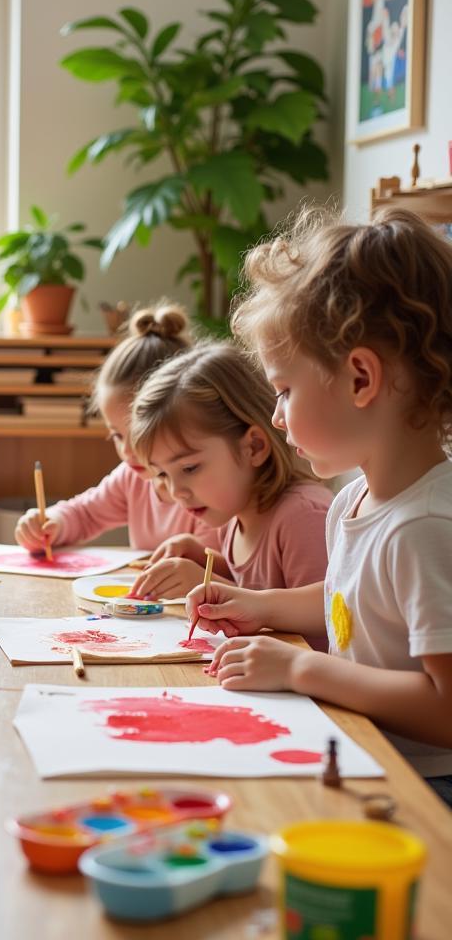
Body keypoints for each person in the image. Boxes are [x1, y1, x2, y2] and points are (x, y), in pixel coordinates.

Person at [192, 208, 452, 800]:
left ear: (361, 379)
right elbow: (351, 602)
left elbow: (446, 713)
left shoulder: (426, 526)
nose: (277, 415)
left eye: (284, 390)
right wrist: (259, 606)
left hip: (427, 785)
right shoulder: (355, 500)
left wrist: (299, 669)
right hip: (367, 750)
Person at [14, 303, 218, 578]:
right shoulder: (132, 478)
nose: (126, 450)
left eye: (137, 435)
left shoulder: (207, 487)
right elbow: (86, 513)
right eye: (116, 435)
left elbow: (222, 569)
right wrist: (52, 523)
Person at [128, 341, 332, 609]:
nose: (176, 491)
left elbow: (325, 620)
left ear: (254, 447)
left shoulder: (302, 517)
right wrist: (199, 555)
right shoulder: (235, 517)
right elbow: (256, 586)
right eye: (163, 474)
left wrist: (210, 586)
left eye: (189, 468)